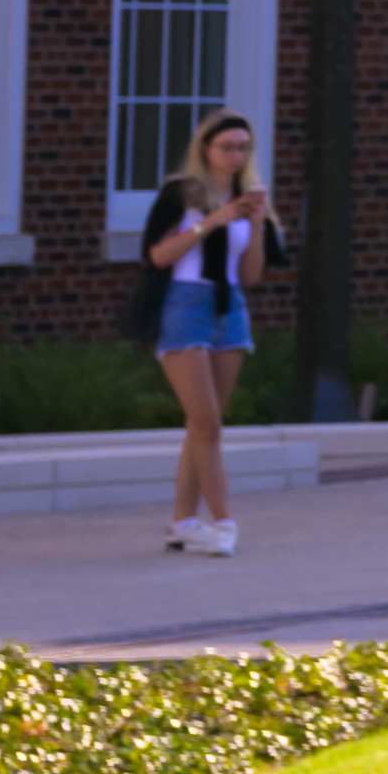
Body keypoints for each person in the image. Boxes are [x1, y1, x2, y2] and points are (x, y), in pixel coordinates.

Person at [140, 109, 265, 560]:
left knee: (203, 426)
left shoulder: (246, 197)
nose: (235, 156)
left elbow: (250, 275)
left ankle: (181, 524)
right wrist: (212, 220)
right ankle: (223, 522)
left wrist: (256, 224)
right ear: (206, 149)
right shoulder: (181, 193)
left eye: (243, 148)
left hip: (229, 308)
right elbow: (157, 255)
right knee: (207, 423)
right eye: (226, 147)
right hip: (185, 305)